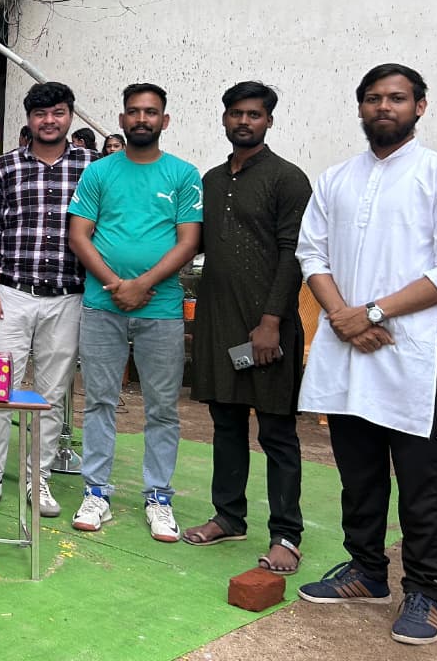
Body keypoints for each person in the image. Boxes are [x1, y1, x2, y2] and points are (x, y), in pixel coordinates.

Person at [294, 63, 437, 645]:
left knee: (423, 482)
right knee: (358, 473)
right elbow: (312, 254)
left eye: (397, 98)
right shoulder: (335, 179)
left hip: (414, 355)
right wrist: (343, 317)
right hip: (347, 349)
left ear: (420, 106)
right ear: (360, 107)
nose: (384, 107)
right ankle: (367, 571)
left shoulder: (432, 173)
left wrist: (373, 312)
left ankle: (427, 590)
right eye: (374, 98)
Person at [183, 82, 310, 574]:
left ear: (269, 121)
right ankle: (228, 517)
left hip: (268, 328)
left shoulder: (287, 179)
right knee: (226, 425)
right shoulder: (211, 180)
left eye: (254, 114)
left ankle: (287, 535)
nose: (244, 121)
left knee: (276, 432)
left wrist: (272, 322)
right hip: (219, 324)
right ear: (224, 119)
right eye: (236, 113)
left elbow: (294, 254)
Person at [66, 83, 201, 542]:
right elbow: (79, 235)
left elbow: (189, 241)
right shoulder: (99, 172)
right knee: (99, 401)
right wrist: (115, 284)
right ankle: (96, 492)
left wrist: (142, 285)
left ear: (165, 120)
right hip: (102, 306)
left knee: (162, 408)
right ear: (122, 120)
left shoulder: (183, 174)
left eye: (151, 112)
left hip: (161, 309)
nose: (142, 119)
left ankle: (159, 497)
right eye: (134, 112)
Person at [0, 82, 93, 519]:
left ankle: (39, 477)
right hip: (12, 295)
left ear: (69, 115)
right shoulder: (6, 166)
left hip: (68, 297)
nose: (49, 121)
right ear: (29, 119)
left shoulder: (91, 166)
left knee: (51, 395)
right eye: (40, 114)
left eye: (58, 112)